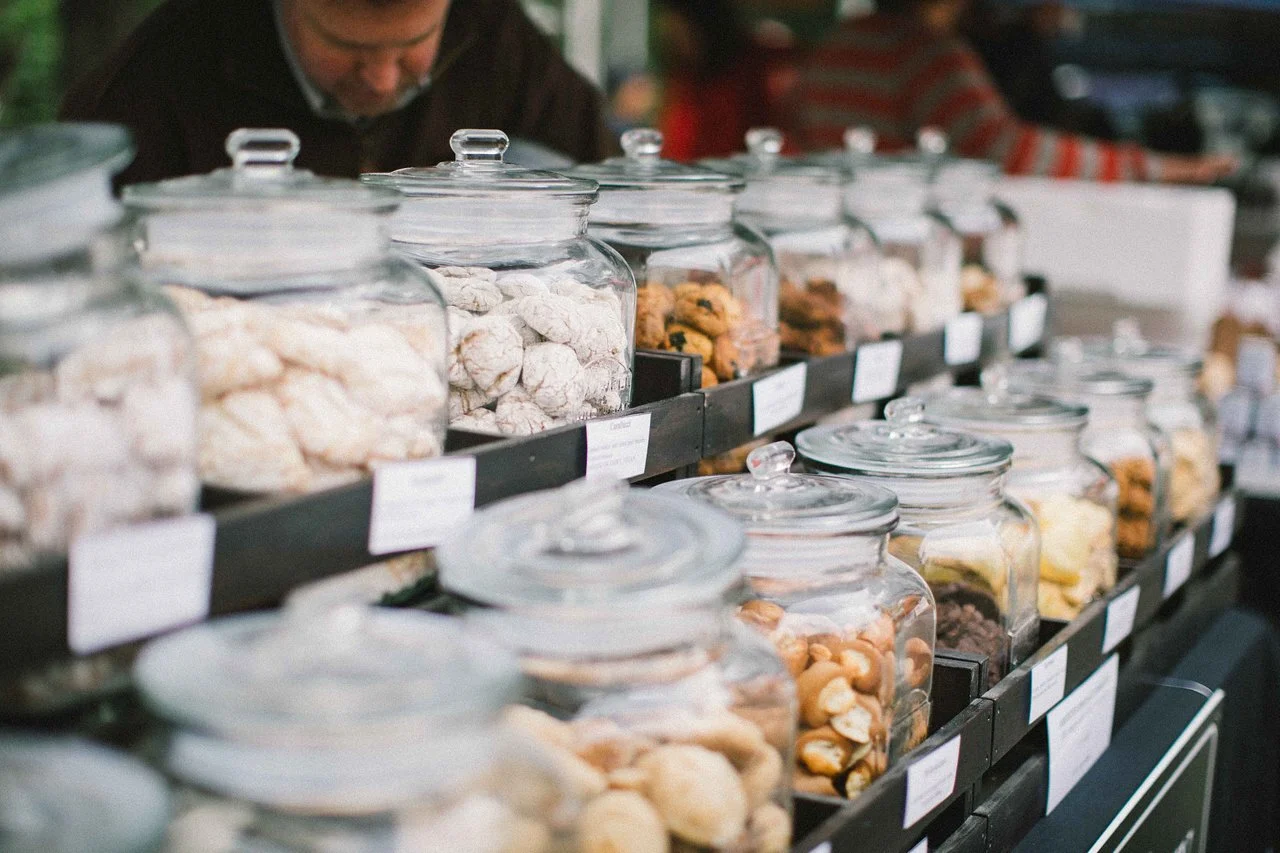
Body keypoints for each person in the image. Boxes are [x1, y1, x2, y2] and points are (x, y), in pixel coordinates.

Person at [60, 0, 618, 186]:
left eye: (411, 46)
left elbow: (603, 186)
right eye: (346, 47)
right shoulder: (154, 83)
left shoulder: (496, 39)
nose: (381, 80)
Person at [796, 0, 1237, 183]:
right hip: (895, 245)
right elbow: (1009, 150)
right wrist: (1156, 168)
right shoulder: (925, 53)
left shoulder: (837, 43)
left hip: (838, 229)